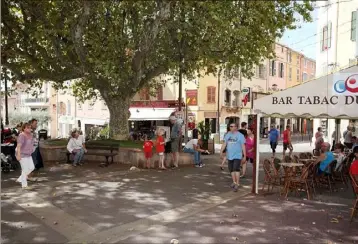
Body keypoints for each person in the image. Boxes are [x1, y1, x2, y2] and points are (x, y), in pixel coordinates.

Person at [220, 123, 246, 192]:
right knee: (231, 169)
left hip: (237, 155)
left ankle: (237, 183)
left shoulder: (240, 136)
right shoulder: (228, 135)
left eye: (232, 126)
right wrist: (221, 152)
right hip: (229, 155)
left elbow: (243, 146)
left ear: (236, 127)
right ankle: (234, 182)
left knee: (236, 169)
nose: (231, 127)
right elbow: (225, 144)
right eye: (230, 126)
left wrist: (244, 156)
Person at [15, 123, 35, 189]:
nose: (29, 129)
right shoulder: (22, 135)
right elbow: (19, 146)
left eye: (29, 127)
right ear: (24, 128)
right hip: (22, 154)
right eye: (27, 128)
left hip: (28, 154)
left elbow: (31, 144)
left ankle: (20, 179)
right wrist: (18, 155)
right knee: (24, 170)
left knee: (32, 167)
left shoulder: (31, 135)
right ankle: (24, 185)